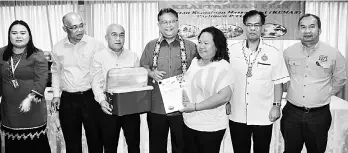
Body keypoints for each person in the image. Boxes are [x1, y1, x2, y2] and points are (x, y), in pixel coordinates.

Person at [282, 13, 346, 153]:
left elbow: (340, 78)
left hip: (319, 115)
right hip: (291, 113)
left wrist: (326, 92)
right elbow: (282, 76)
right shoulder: (288, 52)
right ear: (298, 30)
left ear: (319, 30)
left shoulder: (333, 53)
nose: (307, 31)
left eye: (312, 27)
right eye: (303, 27)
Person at [228, 10, 289, 153]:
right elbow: (226, 80)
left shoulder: (273, 53)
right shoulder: (232, 51)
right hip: (237, 113)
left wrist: (276, 106)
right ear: (244, 27)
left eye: (256, 25)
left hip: (263, 114)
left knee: (262, 150)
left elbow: (278, 82)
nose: (253, 28)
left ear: (262, 27)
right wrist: (226, 101)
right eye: (249, 25)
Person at [140, 8, 197, 153]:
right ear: (159, 25)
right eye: (164, 22)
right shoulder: (151, 46)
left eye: (172, 21)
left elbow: (199, 72)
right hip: (156, 106)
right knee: (157, 146)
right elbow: (141, 68)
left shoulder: (191, 46)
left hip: (182, 108)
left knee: (182, 146)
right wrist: (151, 73)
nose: (168, 25)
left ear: (178, 23)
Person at [50, 12, 104, 153]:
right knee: (72, 142)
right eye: (74, 27)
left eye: (81, 26)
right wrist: (56, 94)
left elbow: (102, 72)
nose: (79, 30)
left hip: (90, 98)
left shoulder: (96, 45)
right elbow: (56, 71)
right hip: (68, 99)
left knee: (95, 139)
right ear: (65, 29)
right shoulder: (57, 48)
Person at [0, 20, 50, 153]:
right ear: (9, 35)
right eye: (14, 33)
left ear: (29, 35)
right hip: (9, 109)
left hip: (32, 107)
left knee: (35, 146)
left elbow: (42, 80)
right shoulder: (1, 53)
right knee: (14, 147)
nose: (18, 36)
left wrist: (29, 99)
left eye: (23, 33)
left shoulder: (37, 54)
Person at [180, 26, 233, 153]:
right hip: (189, 122)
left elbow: (224, 96)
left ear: (217, 45)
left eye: (206, 43)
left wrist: (195, 106)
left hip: (210, 126)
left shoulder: (222, 66)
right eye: (199, 42)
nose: (201, 46)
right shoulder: (195, 61)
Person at [90, 24, 141, 153]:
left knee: (134, 145)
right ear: (106, 37)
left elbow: (138, 82)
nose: (118, 38)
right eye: (114, 35)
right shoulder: (99, 57)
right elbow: (96, 82)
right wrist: (102, 101)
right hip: (109, 106)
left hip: (130, 107)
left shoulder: (133, 56)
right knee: (109, 146)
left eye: (121, 35)